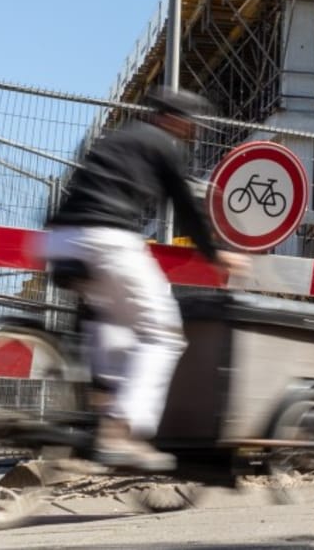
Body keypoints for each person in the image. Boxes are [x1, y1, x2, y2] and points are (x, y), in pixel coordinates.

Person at [43, 85, 248, 472]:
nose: (192, 131)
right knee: (163, 333)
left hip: (60, 239)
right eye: (190, 124)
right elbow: (186, 206)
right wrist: (214, 253)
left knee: (111, 331)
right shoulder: (164, 145)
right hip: (107, 238)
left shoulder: (113, 139)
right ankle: (121, 433)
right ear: (173, 119)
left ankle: (93, 427)